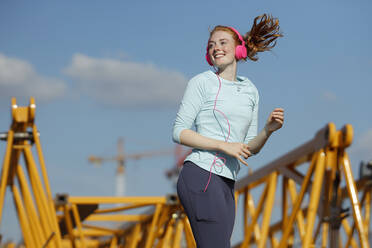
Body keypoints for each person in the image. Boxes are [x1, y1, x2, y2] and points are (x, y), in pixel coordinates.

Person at [172, 14, 284, 248]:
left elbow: (248, 148)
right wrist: (224, 145)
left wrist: (268, 130)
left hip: (227, 183)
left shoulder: (250, 90)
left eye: (223, 42)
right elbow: (179, 132)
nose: (216, 48)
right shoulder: (201, 82)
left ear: (238, 49)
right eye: (211, 45)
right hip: (201, 175)